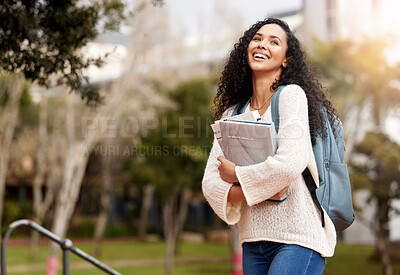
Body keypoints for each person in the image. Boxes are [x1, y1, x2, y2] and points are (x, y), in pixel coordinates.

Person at [202, 17, 338, 274]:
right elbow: (210, 183)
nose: (262, 44)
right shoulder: (233, 113)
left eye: (274, 42)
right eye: (257, 39)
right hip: (253, 241)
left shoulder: (291, 96)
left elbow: (290, 164)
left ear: (286, 60)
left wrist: (236, 176)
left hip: (298, 238)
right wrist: (260, 189)